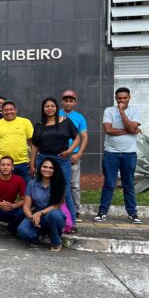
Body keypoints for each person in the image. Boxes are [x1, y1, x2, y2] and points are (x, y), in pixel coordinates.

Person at [30, 97, 79, 229]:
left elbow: (77, 138)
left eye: (52, 106)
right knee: (42, 189)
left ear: (57, 108)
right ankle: (42, 218)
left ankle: (72, 223)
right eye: (47, 106)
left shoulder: (66, 122)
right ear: (43, 108)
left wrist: (69, 151)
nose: (50, 109)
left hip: (61, 160)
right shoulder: (39, 124)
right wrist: (32, 163)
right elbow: (34, 145)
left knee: (65, 191)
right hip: (43, 160)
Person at [96, 87, 142, 224]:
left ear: (129, 98)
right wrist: (131, 131)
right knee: (109, 183)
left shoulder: (135, 111)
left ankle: (132, 214)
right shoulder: (109, 111)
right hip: (111, 153)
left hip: (129, 153)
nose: (122, 100)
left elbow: (133, 127)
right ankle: (102, 212)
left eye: (124, 98)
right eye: (119, 98)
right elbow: (108, 130)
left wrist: (122, 112)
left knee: (128, 184)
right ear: (116, 98)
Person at [18, 157, 67, 252]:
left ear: (55, 170)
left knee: (54, 214)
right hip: (36, 217)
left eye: (51, 168)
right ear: (40, 168)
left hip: (54, 215)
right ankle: (38, 238)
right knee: (22, 231)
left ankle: (56, 241)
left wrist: (40, 213)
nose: (47, 170)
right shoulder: (32, 183)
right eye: (45, 166)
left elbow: (56, 205)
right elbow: (26, 205)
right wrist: (32, 217)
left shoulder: (60, 184)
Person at [59, 90, 88, 221]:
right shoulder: (56, 114)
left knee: (74, 185)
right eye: (66, 100)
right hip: (57, 155)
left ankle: (75, 211)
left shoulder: (79, 117)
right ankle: (58, 208)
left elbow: (84, 137)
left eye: (71, 100)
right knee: (56, 183)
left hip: (73, 156)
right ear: (62, 101)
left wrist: (79, 154)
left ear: (75, 102)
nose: (68, 102)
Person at [0, 101, 33, 183]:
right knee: (5, 189)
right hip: (4, 164)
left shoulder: (25, 122)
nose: (9, 112)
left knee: (28, 189)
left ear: (16, 110)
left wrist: (32, 161)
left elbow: (32, 142)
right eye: (6, 110)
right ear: (2, 111)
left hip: (23, 162)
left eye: (11, 109)